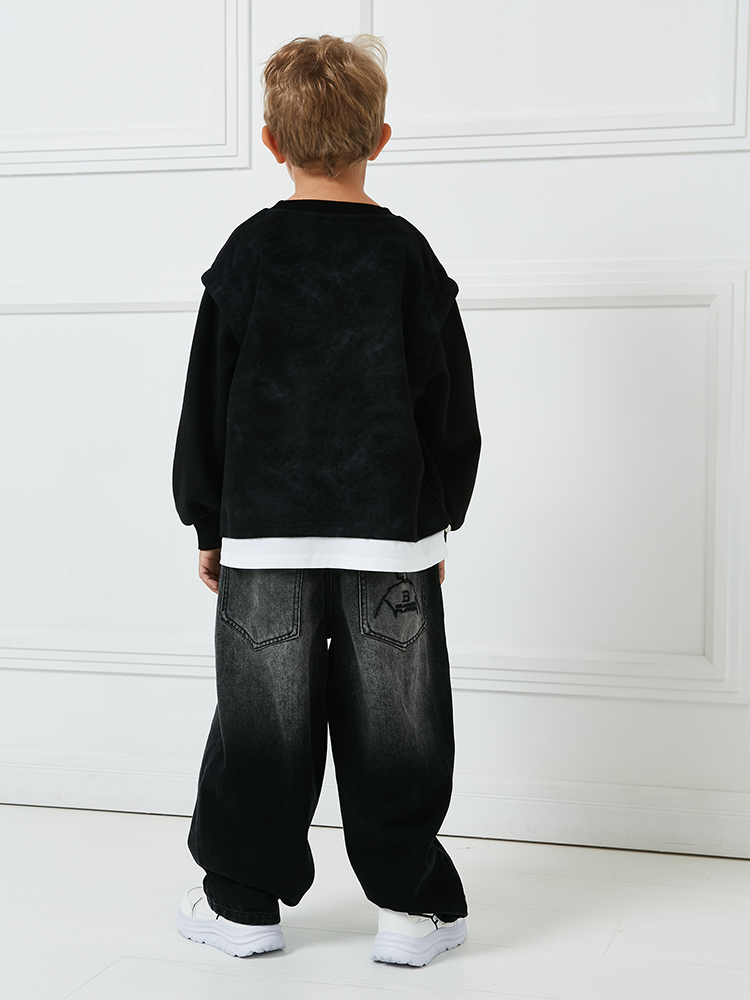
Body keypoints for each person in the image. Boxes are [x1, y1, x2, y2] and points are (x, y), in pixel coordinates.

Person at [171, 33, 481, 969]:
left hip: (266, 539)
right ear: (380, 139)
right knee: (400, 723)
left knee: (261, 721)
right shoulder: (407, 257)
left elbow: (208, 399)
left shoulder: (250, 255)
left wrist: (209, 521)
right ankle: (410, 910)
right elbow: (449, 406)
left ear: (272, 142)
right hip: (389, 539)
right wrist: (437, 520)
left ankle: (241, 906)